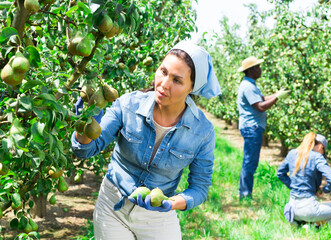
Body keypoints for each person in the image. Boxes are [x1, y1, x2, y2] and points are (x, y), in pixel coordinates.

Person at [71, 41, 221, 240]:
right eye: (163, 71)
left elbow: (200, 187)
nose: (164, 84)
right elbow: (85, 150)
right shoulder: (127, 104)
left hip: (158, 216)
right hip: (113, 205)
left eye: (177, 80)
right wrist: (85, 122)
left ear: (192, 88)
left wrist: (172, 203)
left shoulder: (202, 131)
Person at [236, 56, 290, 200]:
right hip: (252, 127)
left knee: (250, 161)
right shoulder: (247, 86)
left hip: (253, 127)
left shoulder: (250, 84)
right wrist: (278, 98)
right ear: (251, 70)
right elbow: (260, 106)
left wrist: (277, 94)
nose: (260, 69)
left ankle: (245, 193)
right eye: (258, 67)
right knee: (250, 162)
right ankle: (245, 194)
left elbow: (262, 99)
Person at [277, 132, 331, 225]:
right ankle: (313, 226)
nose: (323, 154)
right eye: (324, 152)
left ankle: (298, 222)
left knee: (307, 213)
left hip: (292, 208)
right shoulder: (317, 157)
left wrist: (293, 186)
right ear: (321, 146)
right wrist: (325, 190)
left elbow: (280, 173)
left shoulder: (292, 153)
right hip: (308, 209)